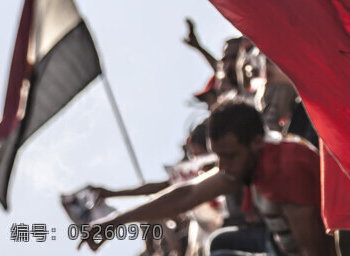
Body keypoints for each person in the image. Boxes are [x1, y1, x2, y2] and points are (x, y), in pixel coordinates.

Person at [81, 101, 331, 256]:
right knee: (218, 244)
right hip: (277, 241)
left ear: (256, 143)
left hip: (308, 246)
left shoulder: (285, 173)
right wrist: (115, 221)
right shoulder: (249, 159)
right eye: (218, 155)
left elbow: (318, 250)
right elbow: (187, 194)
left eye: (229, 156)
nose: (222, 165)